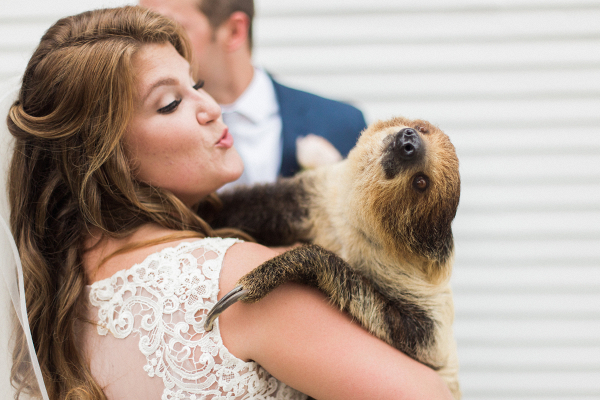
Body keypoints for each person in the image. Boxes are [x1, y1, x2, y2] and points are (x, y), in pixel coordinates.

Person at [5, 6, 452, 400]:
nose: (212, 106)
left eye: (196, 83)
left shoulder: (47, 300)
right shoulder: (241, 279)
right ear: (104, 155)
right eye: (171, 103)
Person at [139, 0, 368, 189]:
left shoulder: (342, 123)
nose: (148, 46)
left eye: (167, 29)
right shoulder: (148, 142)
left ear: (234, 31)